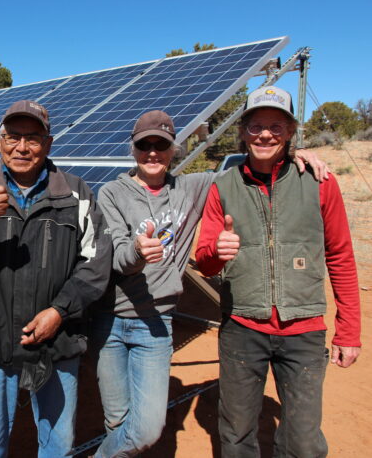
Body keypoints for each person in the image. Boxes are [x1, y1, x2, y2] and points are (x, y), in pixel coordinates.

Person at [93, 109, 328, 458]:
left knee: (144, 430)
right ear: (133, 149)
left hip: (156, 323)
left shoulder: (193, 188)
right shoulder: (112, 192)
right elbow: (116, 259)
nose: (153, 153)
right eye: (144, 145)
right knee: (117, 421)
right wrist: (138, 252)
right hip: (110, 320)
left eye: (162, 145)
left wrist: (295, 153)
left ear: (174, 150)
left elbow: (254, 165)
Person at [195, 86, 361, 457]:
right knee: (237, 434)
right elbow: (204, 261)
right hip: (242, 328)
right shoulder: (223, 186)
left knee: (303, 441)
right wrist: (217, 253)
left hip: (304, 330)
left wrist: (348, 331)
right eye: (255, 126)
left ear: (290, 132)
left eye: (276, 126)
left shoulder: (319, 182)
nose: (265, 135)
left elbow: (340, 256)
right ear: (242, 131)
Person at [0, 100, 112, 458]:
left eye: (33, 138)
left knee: (58, 445)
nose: (22, 147)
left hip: (58, 344)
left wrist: (59, 311)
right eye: (13, 137)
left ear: (48, 144)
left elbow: (96, 263)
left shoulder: (76, 195)